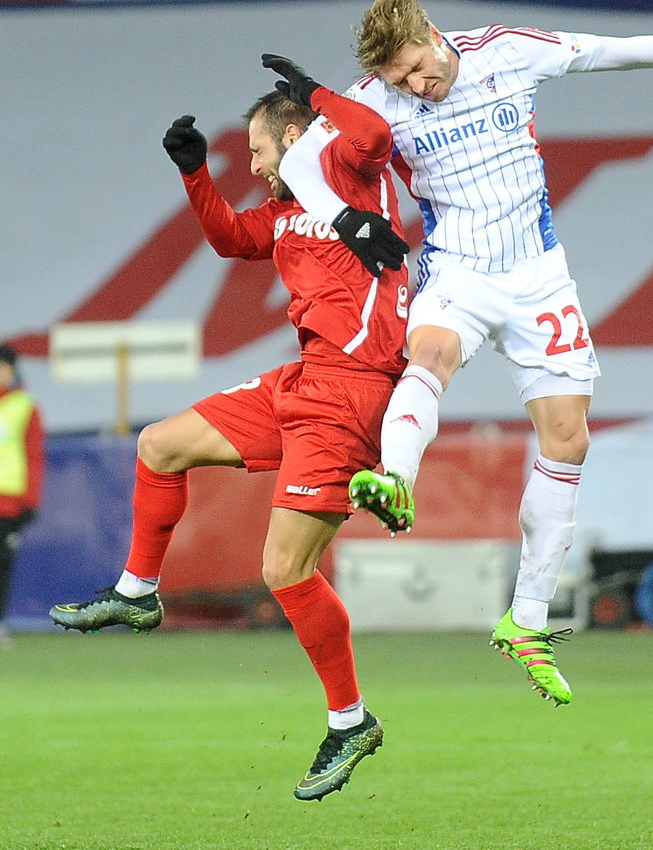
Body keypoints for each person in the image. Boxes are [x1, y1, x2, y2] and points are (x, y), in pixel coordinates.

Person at [262, 0, 653, 706]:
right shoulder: (371, 97)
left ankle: (526, 618)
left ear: (434, 38)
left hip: (538, 275)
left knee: (568, 439)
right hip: (457, 270)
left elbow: (609, 48)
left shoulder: (504, 51)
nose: (415, 86)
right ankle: (395, 477)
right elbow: (300, 165)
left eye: (416, 68)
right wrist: (346, 216)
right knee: (430, 357)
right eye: (401, 79)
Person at [50, 84, 410, 802]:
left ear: (296, 136)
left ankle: (351, 718)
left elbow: (373, 134)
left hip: (352, 391)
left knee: (283, 569)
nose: (251, 163)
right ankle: (138, 593)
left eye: (256, 147)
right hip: (304, 378)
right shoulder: (281, 214)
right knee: (160, 444)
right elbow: (229, 238)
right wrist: (194, 174)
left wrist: (312, 91)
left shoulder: (352, 180)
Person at [0, 343, 45, 647]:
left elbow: (34, 455)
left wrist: (30, 501)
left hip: (7, 501)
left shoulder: (24, 407)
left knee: (2, 563)